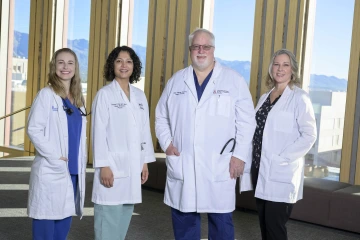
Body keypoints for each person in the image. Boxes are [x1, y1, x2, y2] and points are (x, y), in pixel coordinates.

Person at [155, 28, 256, 240]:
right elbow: (160, 116)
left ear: (213, 50)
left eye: (206, 47)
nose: (201, 51)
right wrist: (167, 144)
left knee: (221, 222)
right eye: (196, 47)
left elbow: (247, 123)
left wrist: (239, 156)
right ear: (190, 50)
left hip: (219, 164)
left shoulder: (233, 80)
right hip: (184, 162)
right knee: (184, 219)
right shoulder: (176, 81)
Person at [91, 46, 156, 240]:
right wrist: (103, 165)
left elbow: (144, 130)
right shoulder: (104, 95)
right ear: (113, 65)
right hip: (111, 166)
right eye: (119, 60)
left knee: (124, 218)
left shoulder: (140, 96)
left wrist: (144, 161)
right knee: (107, 221)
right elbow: (98, 132)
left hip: (133, 166)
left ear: (134, 66)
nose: (124, 65)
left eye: (128, 61)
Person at [251, 49, 317, 240]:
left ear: (293, 70)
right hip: (259, 168)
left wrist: (283, 158)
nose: (280, 69)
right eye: (276, 64)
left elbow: (309, 135)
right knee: (264, 225)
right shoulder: (265, 97)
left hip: (281, 171)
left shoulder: (300, 98)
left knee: (275, 227)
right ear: (271, 68)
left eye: (285, 65)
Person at [27, 48, 88, 240]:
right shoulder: (46, 95)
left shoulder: (78, 99)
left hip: (72, 171)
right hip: (53, 167)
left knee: (63, 224)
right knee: (46, 224)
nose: (65, 67)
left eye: (70, 63)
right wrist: (55, 157)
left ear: (76, 67)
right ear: (54, 66)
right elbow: (33, 129)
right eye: (61, 62)